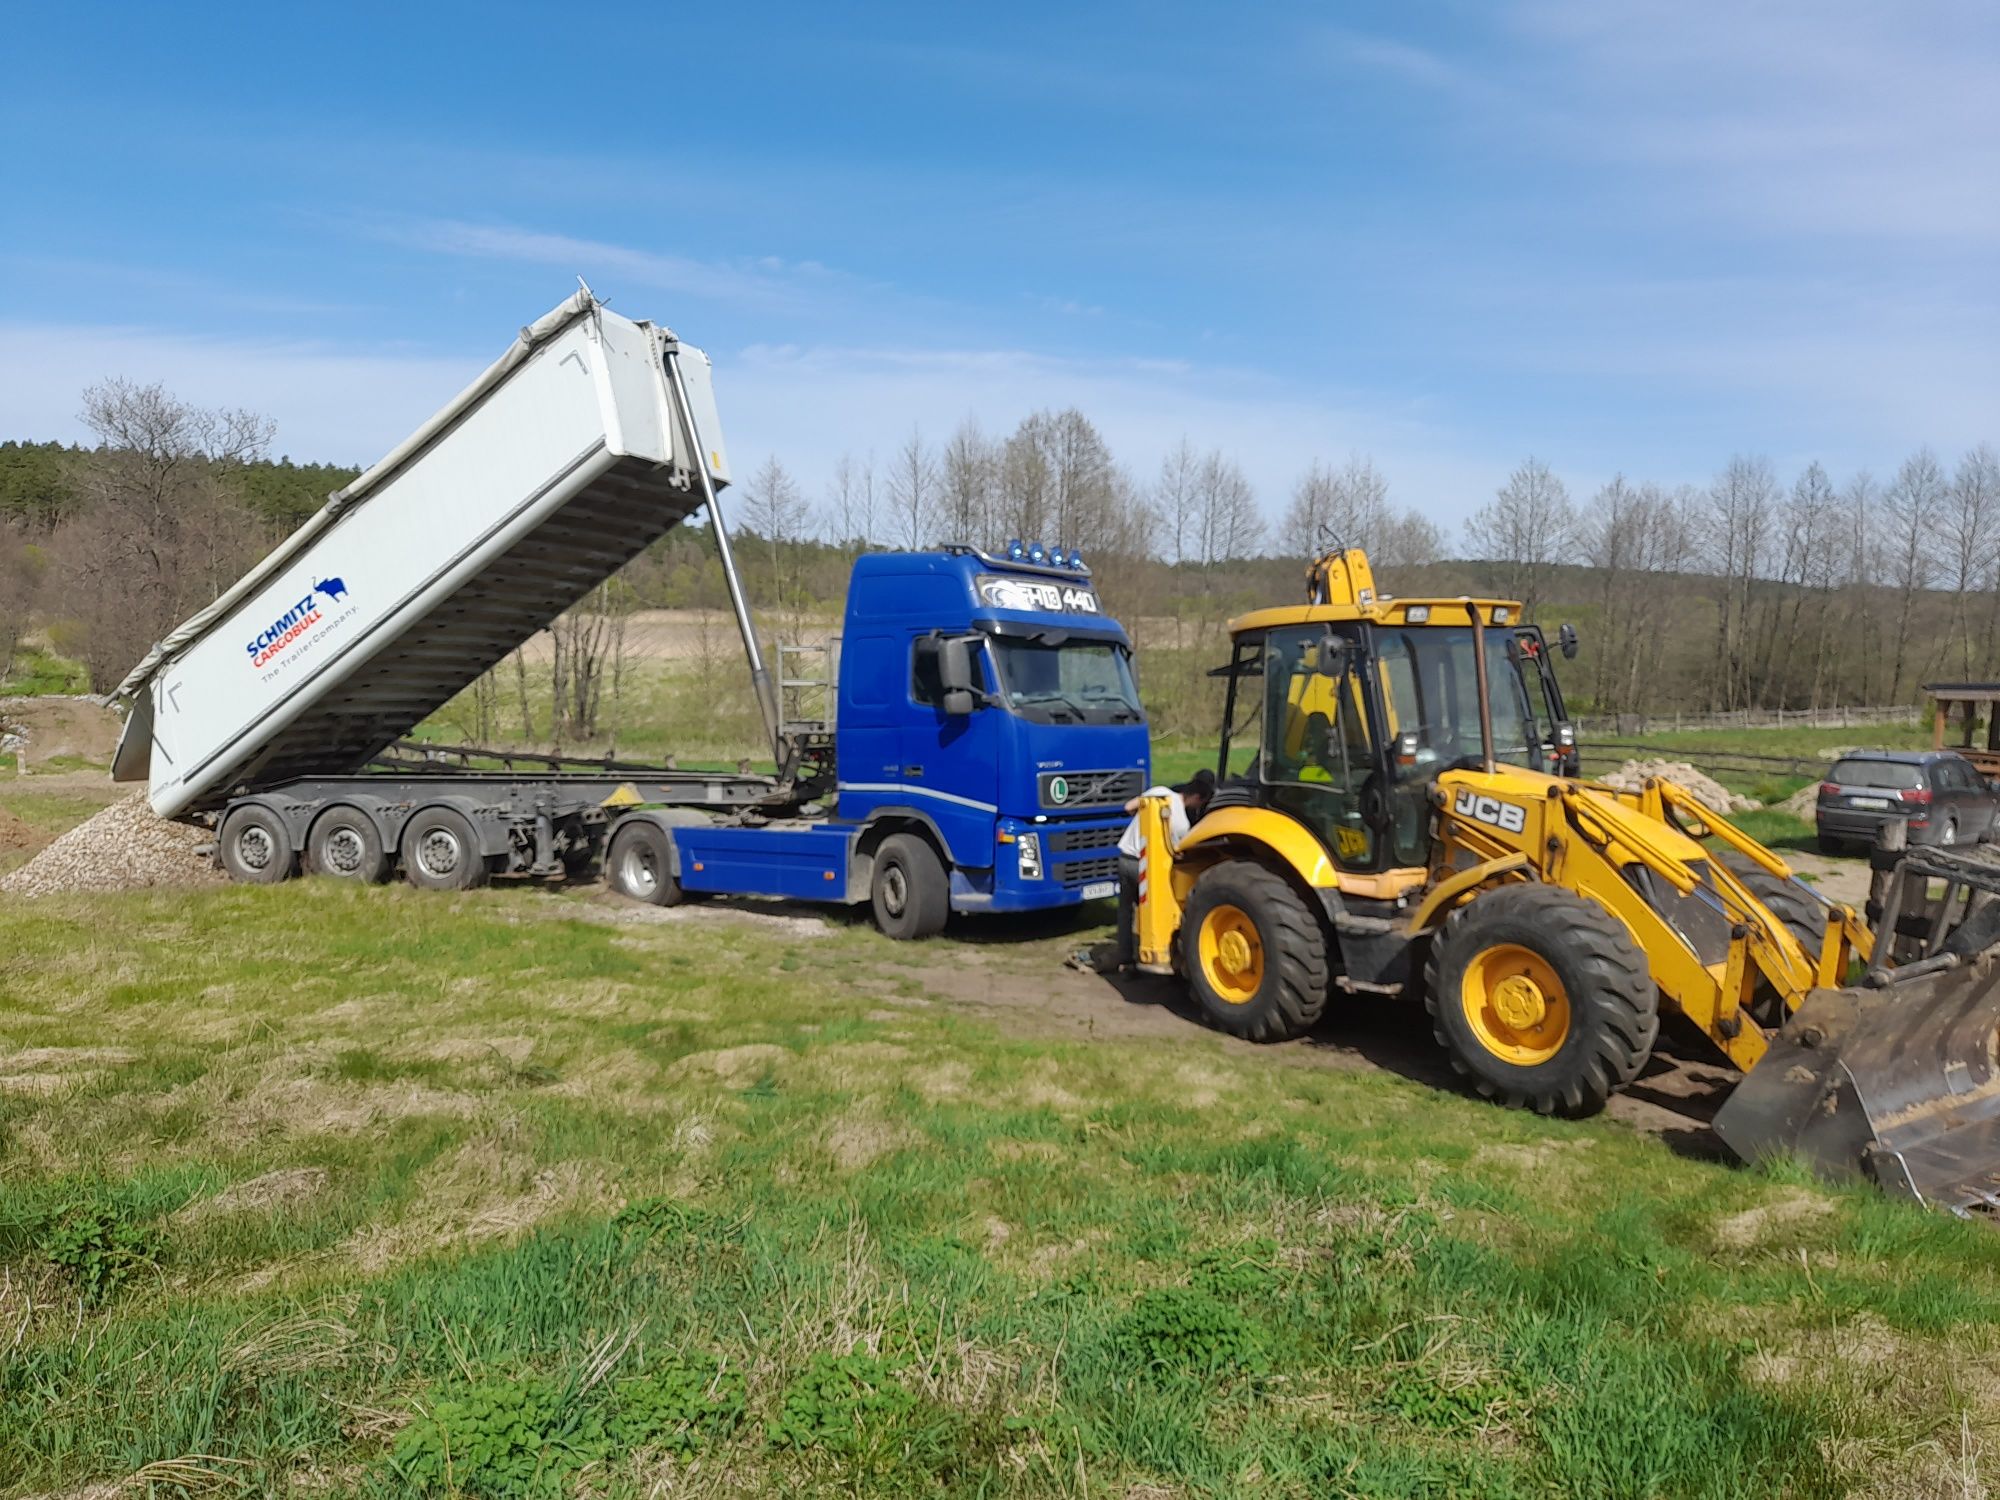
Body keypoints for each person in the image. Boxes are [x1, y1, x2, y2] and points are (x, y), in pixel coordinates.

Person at [1083, 768, 1215, 974]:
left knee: (1125, 910)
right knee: (1153, 909)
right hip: (1145, 867)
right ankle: (1154, 951)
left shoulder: (1159, 793)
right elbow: (1177, 853)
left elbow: (1128, 807)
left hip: (1125, 857)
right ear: (1197, 797)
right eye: (1201, 802)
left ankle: (1125, 957)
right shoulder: (1182, 824)